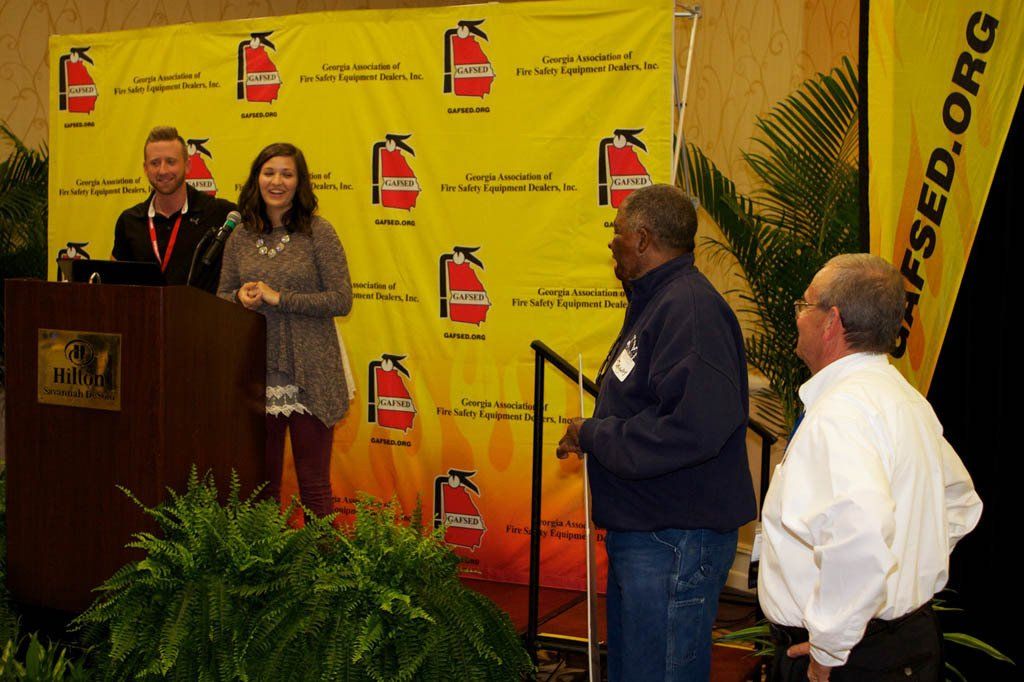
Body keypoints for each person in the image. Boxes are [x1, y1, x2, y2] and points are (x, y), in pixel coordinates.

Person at [556, 184, 756, 681]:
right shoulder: (658, 301)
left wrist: (597, 435)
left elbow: (691, 428)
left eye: (617, 232)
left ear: (643, 239)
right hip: (651, 534)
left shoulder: (690, 309)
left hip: (673, 540)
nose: (611, 243)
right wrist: (592, 433)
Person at [758, 254, 983, 682]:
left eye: (804, 305)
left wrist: (829, 647)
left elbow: (859, 532)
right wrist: (907, 566)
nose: (798, 317)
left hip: (851, 659)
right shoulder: (905, 399)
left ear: (831, 321)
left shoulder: (841, 413)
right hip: (904, 642)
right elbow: (959, 502)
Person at [217, 142, 353, 517]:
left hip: (311, 368)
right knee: (261, 486)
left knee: (313, 484)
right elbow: (222, 294)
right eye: (269, 172)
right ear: (256, 179)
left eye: (287, 174)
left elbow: (341, 299)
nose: (276, 181)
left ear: (299, 182)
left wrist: (281, 298)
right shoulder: (239, 235)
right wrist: (238, 297)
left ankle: (320, 557)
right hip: (255, 371)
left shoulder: (319, 233)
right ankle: (266, 556)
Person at [112, 126, 237, 292]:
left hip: (203, 310)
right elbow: (113, 286)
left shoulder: (221, 214)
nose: (163, 170)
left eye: (171, 162)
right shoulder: (129, 221)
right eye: (155, 163)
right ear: (145, 168)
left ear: (187, 165)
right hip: (146, 309)